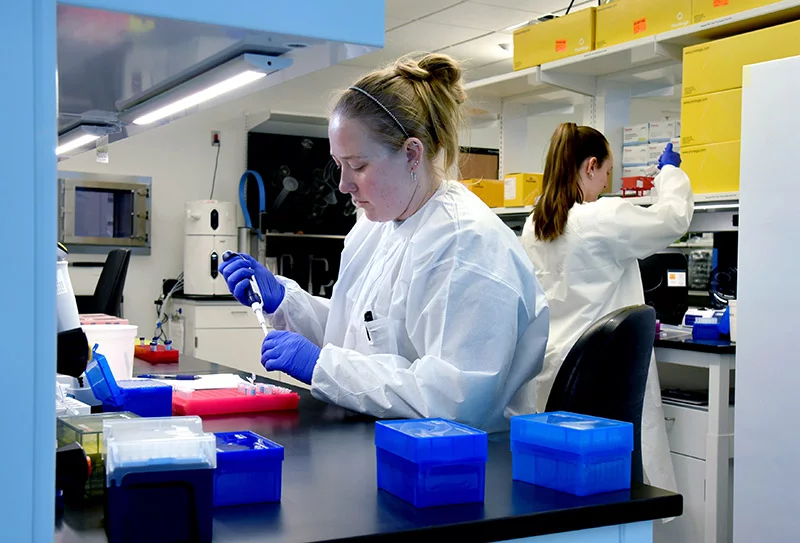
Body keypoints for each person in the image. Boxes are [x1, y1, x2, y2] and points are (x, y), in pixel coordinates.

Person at [219, 54, 550, 432]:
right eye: (338, 164)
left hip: (462, 467)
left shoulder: (466, 247)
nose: (344, 184)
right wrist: (286, 303)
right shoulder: (374, 228)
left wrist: (320, 366)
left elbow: (454, 401)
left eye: (358, 166)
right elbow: (359, 336)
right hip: (385, 441)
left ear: (411, 153)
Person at [520, 123, 693, 492]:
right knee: (606, 486)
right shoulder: (601, 218)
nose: (605, 183)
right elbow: (673, 219)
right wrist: (670, 174)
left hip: (551, 371)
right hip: (599, 376)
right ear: (590, 166)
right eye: (607, 173)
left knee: (558, 483)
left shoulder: (535, 224)